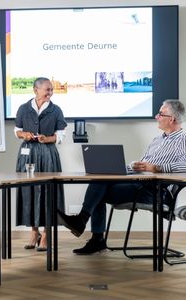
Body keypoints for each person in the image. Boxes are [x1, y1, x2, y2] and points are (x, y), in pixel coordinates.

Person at [58, 99, 186, 255]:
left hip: (156, 191)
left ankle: (89, 231)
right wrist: (130, 167)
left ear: (171, 119)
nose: (156, 116)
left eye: (160, 113)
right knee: (100, 178)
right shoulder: (157, 140)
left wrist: (158, 168)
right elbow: (144, 166)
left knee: (98, 192)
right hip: (139, 183)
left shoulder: (182, 141)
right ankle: (89, 231)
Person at [14, 77, 67, 251]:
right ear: (36, 90)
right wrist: (24, 135)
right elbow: (17, 131)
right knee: (29, 190)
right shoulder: (23, 108)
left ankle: (46, 233)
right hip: (28, 154)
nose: (50, 93)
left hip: (48, 153)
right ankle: (34, 231)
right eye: (47, 90)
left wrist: (48, 138)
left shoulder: (56, 110)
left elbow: (61, 135)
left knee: (47, 190)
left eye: (51, 90)